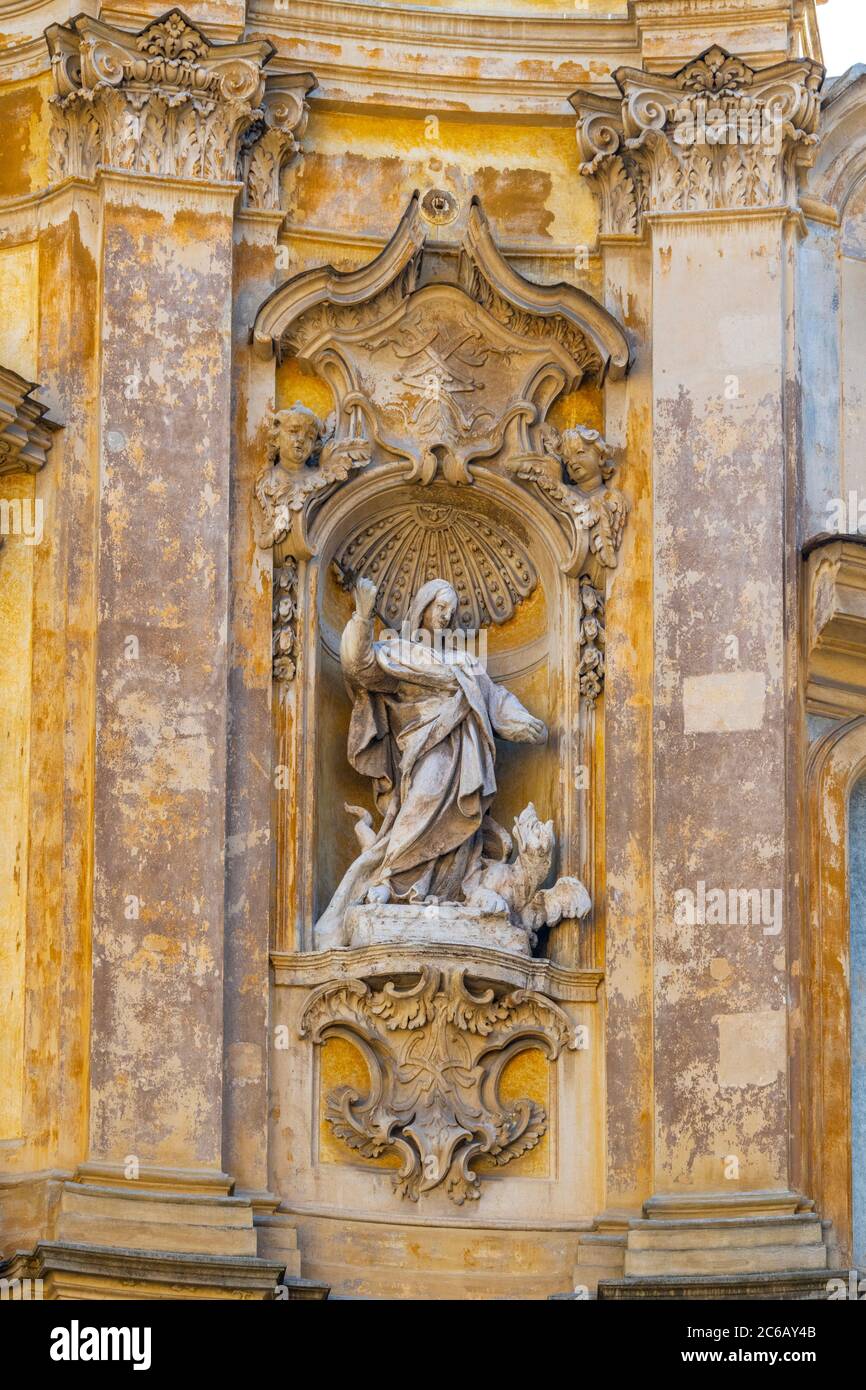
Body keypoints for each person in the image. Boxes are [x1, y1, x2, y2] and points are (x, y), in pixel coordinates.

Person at [315, 574, 547, 947]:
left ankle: (447, 891)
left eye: (451, 611)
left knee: (461, 826)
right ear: (422, 610)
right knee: (418, 810)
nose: (444, 615)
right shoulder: (402, 653)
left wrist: (524, 723)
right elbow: (358, 666)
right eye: (439, 607)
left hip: (465, 755)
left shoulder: (464, 661)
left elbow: (495, 699)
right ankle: (391, 882)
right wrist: (361, 615)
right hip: (423, 749)